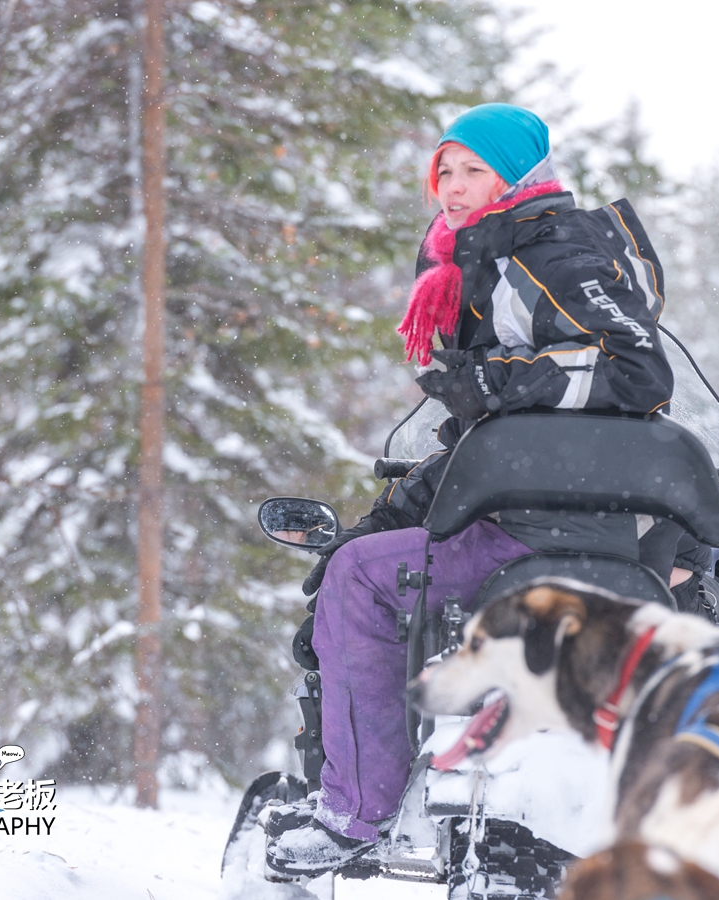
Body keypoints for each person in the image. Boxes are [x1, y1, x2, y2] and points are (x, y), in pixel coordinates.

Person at [266, 103, 684, 875]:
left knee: (358, 578)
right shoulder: (487, 257)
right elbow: (488, 438)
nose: (453, 189)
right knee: (363, 554)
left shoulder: (552, 250)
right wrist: (389, 511)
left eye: (473, 171)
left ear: (516, 177)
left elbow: (637, 371)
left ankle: (355, 814)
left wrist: (495, 378)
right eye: (444, 172)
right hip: (537, 508)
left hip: (544, 526)